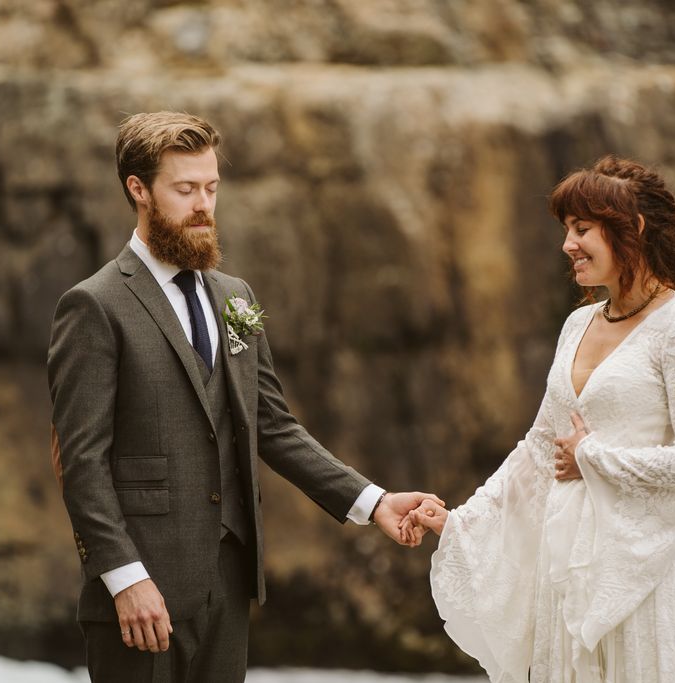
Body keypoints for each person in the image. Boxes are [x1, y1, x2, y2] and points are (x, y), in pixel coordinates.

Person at [47, 111, 441, 683]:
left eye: (210, 187)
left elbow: (274, 428)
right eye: (184, 189)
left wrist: (374, 502)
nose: (203, 204)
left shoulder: (234, 297)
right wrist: (124, 578)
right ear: (139, 190)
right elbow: (81, 463)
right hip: (139, 598)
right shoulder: (94, 306)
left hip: (228, 586)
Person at [408, 156, 675, 682]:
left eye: (582, 229)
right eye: (567, 229)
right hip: (566, 574)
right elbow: (540, 448)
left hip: (645, 582)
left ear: (631, 229)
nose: (568, 244)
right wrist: (460, 522)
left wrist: (595, 458)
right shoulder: (577, 324)